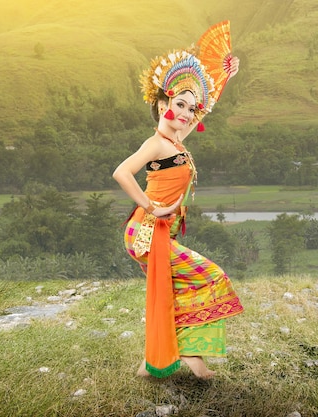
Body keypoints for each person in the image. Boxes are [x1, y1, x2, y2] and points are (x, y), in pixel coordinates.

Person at [113, 22, 244, 380]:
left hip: (157, 234)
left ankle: (153, 364)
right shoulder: (157, 143)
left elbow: (206, 104)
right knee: (211, 277)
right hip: (144, 233)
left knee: (175, 290)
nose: (186, 114)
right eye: (179, 105)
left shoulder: (177, 140)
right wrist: (152, 206)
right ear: (162, 104)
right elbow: (122, 173)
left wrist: (225, 75)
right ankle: (192, 360)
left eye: (190, 109)